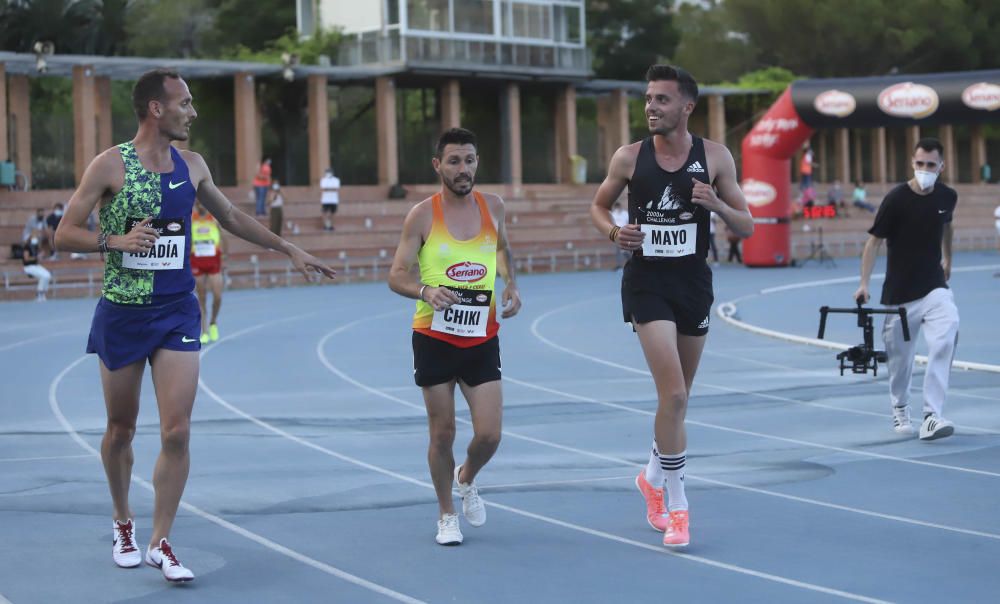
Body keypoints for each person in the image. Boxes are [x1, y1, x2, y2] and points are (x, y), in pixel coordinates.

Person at [54, 68, 336, 582]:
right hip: (123, 311)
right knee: (120, 430)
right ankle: (123, 521)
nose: (193, 111)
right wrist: (113, 242)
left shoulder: (193, 165)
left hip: (178, 309)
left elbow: (230, 216)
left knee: (177, 431)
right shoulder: (110, 165)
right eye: (184, 102)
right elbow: (63, 234)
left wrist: (286, 246)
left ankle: (161, 540)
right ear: (156, 109)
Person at [589, 65, 753, 548]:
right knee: (675, 396)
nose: (650, 108)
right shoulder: (628, 158)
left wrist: (717, 206)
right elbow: (598, 207)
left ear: (687, 106)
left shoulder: (716, 158)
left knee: (677, 401)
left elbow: (748, 226)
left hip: (693, 283)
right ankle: (677, 506)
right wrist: (617, 233)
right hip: (647, 283)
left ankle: (649, 475)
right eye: (647, 99)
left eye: (661, 100)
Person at [388, 127, 521, 546]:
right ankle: (447, 513)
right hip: (434, 335)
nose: (463, 169)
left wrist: (510, 284)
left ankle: (467, 476)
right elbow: (396, 275)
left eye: (469, 160)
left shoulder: (493, 206)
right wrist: (426, 290)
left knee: (489, 434)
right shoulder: (422, 215)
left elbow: (501, 248)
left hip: (482, 334)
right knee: (441, 432)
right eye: (454, 161)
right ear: (437, 166)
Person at [853, 138, 959, 441]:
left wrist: (948, 257)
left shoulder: (947, 196)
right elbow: (874, 241)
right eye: (920, 164)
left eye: (931, 164)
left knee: (946, 332)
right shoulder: (896, 199)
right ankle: (900, 407)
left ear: (941, 166)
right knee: (901, 362)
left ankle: (931, 416)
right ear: (913, 163)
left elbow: (948, 225)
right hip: (899, 295)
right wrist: (863, 283)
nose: (925, 169)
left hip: (933, 286)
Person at [191, 201, 225, 343]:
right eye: (199, 204)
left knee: (217, 296)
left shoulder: (214, 219)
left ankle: (213, 322)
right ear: (196, 205)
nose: (202, 206)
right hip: (197, 262)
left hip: (213, 263)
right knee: (201, 298)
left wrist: (225, 256)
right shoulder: (191, 219)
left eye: (204, 204)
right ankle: (204, 331)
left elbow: (223, 239)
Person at [22, 229, 51, 301]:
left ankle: (43, 293)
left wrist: (41, 255)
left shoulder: (36, 246)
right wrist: (36, 257)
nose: (36, 238)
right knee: (43, 276)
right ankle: (39, 294)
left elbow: (39, 257)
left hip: (36, 265)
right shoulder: (27, 246)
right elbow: (26, 259)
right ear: (30, 237)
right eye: (34, 236)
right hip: (28, 267)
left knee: (48, 275)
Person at [610, 200, 630, 269]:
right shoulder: (613, 214)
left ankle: (630, 261)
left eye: (618, 207)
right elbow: (612, 223)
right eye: (616, 207)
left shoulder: (625, 213)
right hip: (616, 233)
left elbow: (628, 222)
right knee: (618, 250)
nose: (617, 208)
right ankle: (618, 264)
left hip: (625, 232)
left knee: (625, 249)